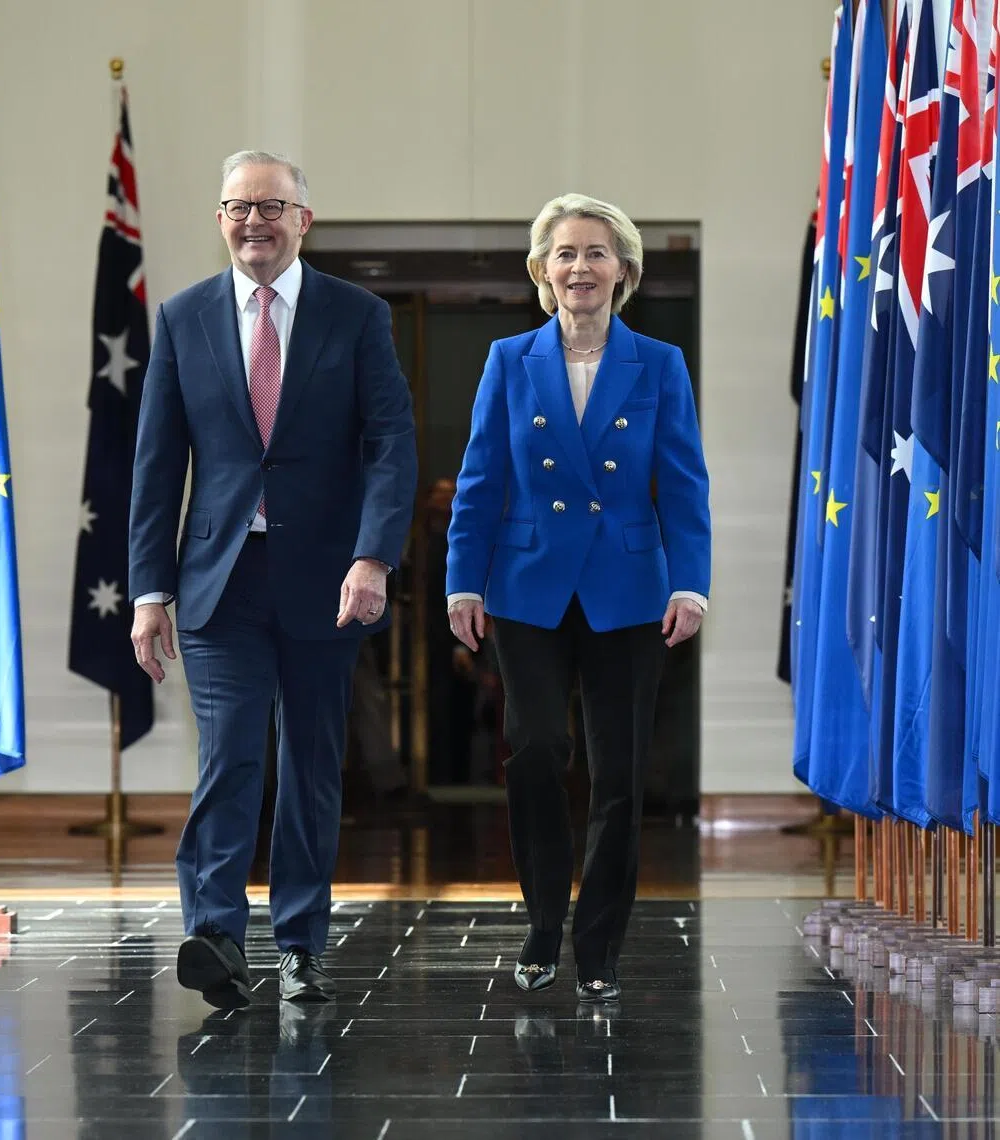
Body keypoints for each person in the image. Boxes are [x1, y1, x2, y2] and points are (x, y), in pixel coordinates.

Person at [128, 150, 417, 1009]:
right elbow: (155, 465)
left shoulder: (356, 315)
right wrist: (150, 592)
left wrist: (374, 556)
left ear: (304, 219)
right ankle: (214, 936)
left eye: (272, 206)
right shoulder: (182, 319)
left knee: (311, 768)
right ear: (219, 219)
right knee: (230, 759)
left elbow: (390, 443)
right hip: (219, 583)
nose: (254, 220)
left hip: (329, 582)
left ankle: (300, 945)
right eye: (238, 206)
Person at [445, 193, 710, 1003]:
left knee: (621, 773)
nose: (580, 267)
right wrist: (463, 575)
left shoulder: (658, 363)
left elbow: (684, 481)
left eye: (597, 253)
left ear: (623, 272)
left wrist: (691, 581)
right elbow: (483, 477)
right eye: (565, 253)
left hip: (629, 591)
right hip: (527, 589)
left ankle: (599, 943)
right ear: (542, 270)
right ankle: (542, 924)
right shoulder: (508, 358)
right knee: (533, 754)